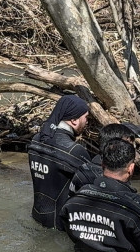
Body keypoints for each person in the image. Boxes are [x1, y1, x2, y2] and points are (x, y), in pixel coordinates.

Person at [28, 95, 92, 228]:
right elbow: (93, 187)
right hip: (60, 225)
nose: (87, 122)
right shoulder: (75, 150)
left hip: (36, 217)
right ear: (74, 120)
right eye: (86, 117)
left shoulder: (36, 139)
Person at [71, 122, 138, 193]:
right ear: (114, 145)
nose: (131, 149)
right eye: (127, 144)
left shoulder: (84, 169)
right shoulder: (97, 176)